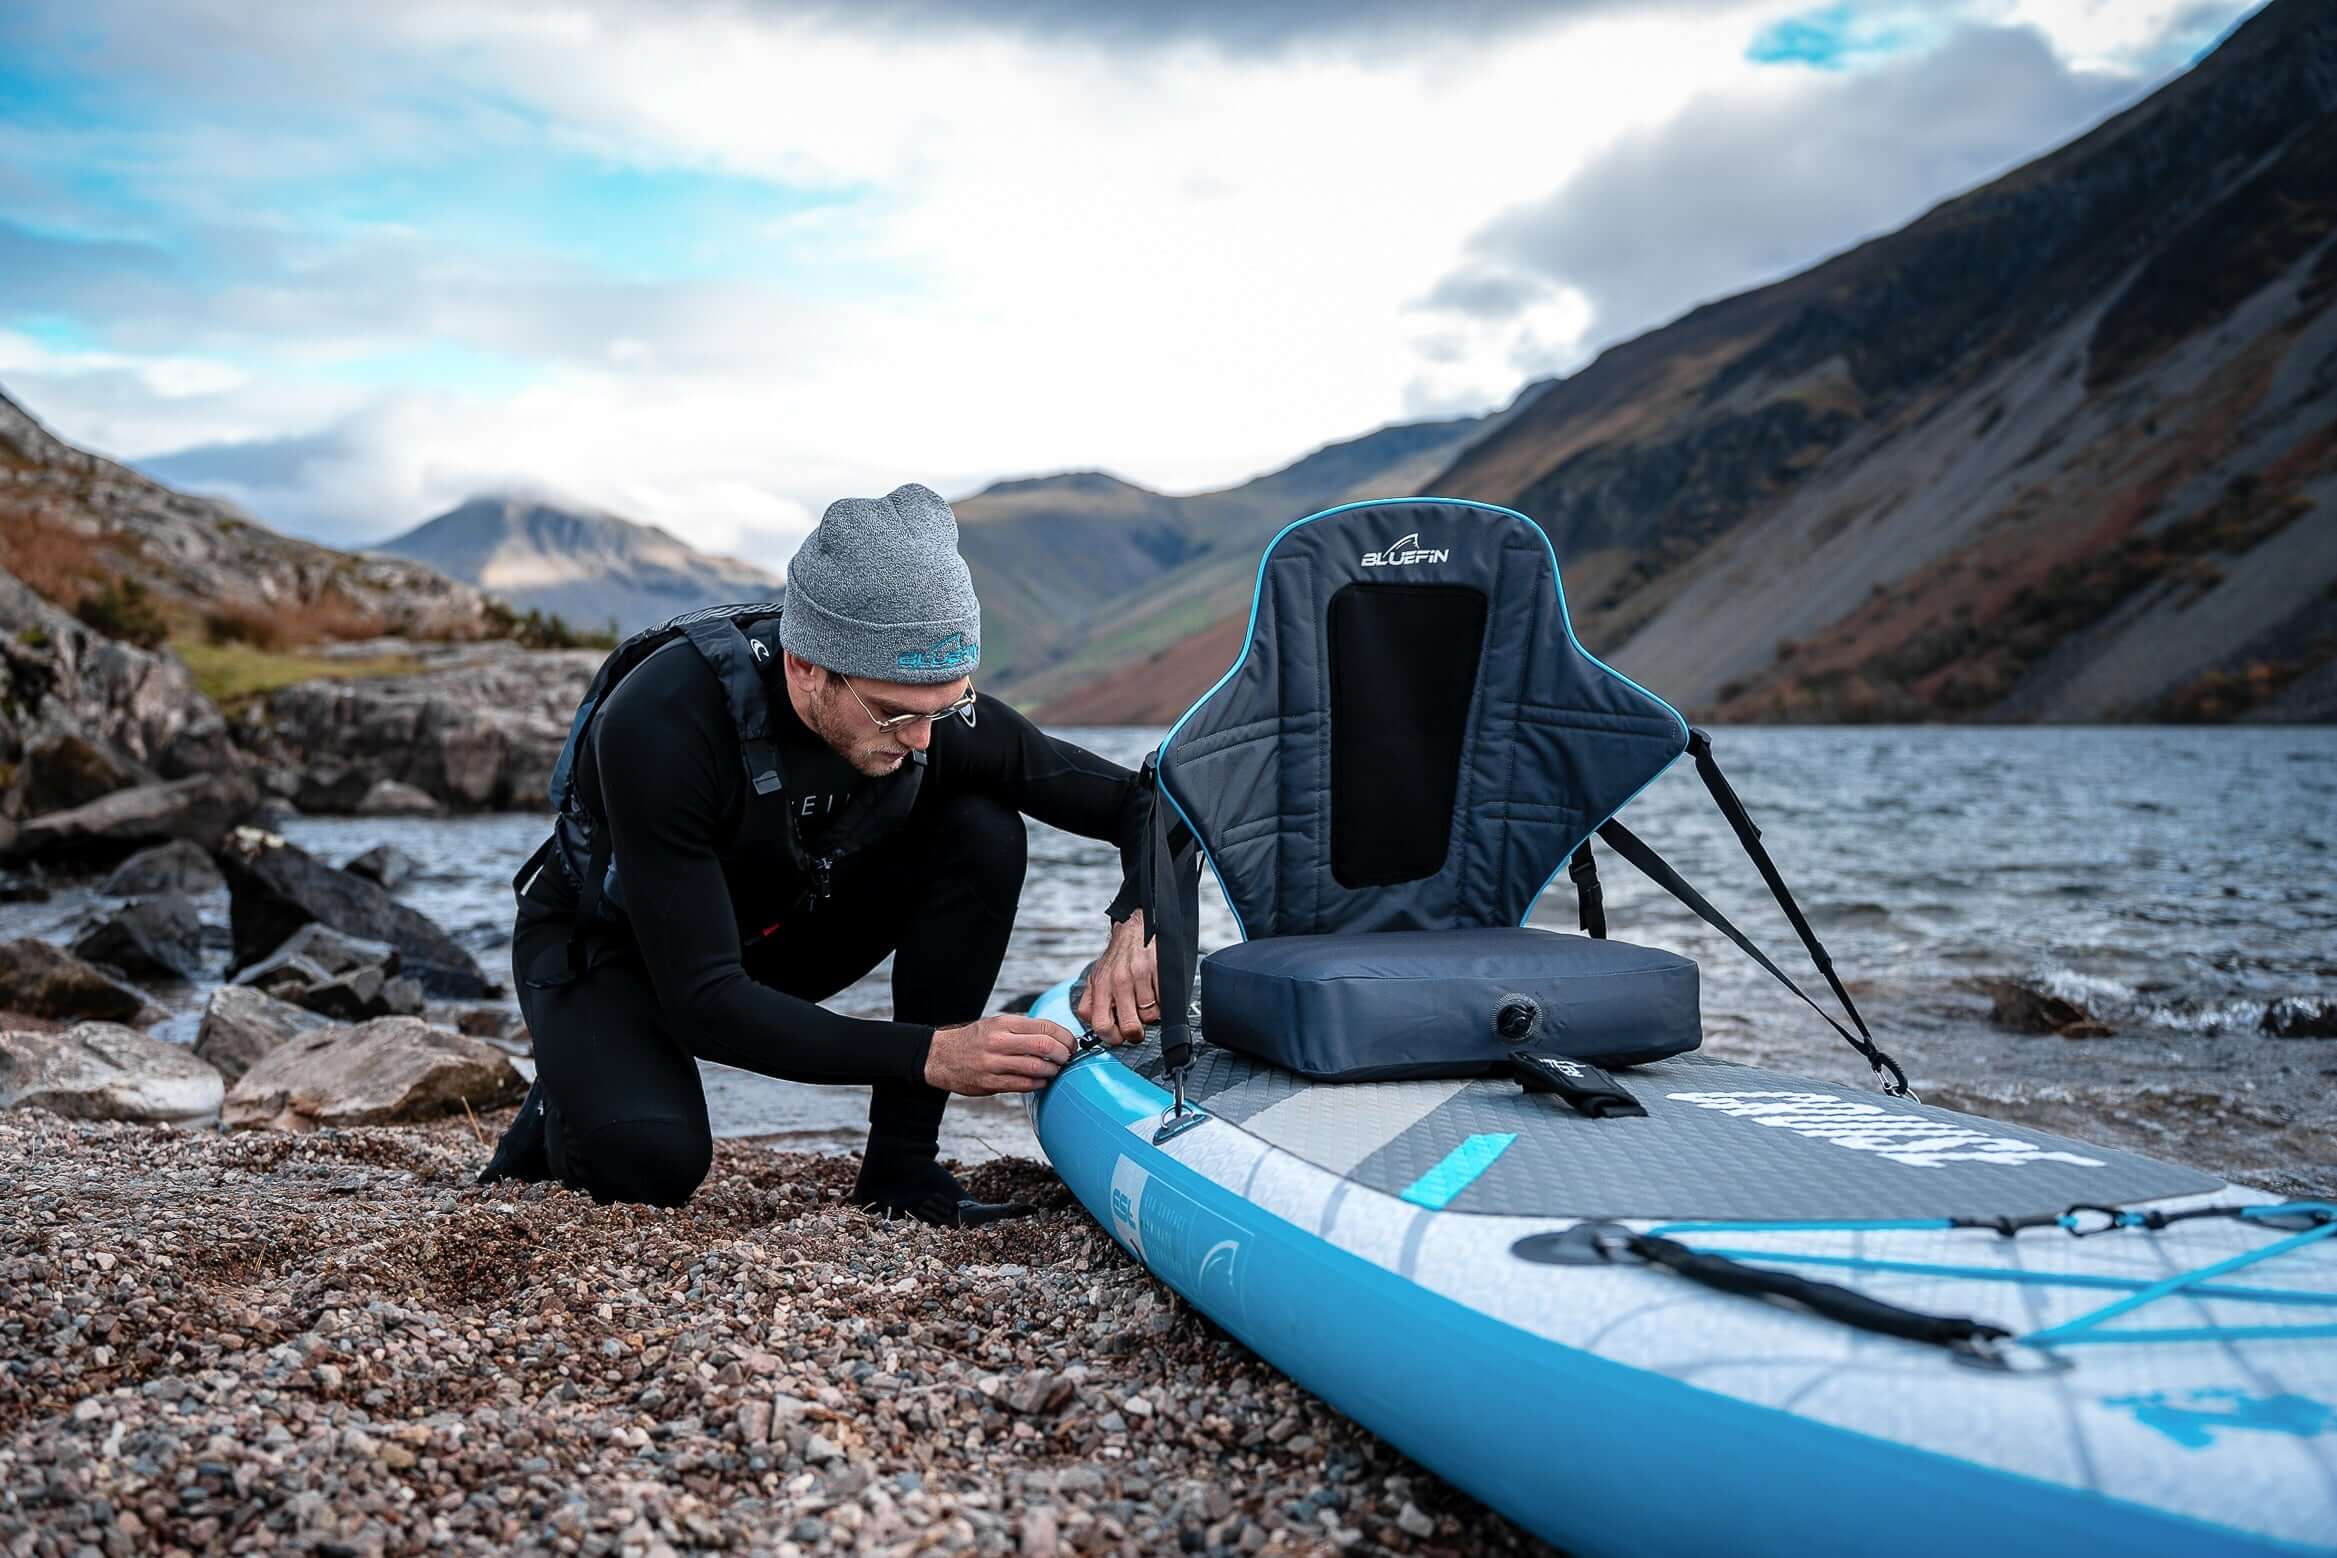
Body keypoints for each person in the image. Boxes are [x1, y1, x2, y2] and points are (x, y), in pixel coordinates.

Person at [478, 483, 1163, 1223]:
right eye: (896, 712)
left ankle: (902, 1173)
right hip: (616, 951)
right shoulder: (663, 720)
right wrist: (932, 1053)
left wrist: (1138, 922)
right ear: (807, 667)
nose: (924, 739)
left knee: (981, 828)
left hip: (774, 929)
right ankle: (570, 1091)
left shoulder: (926, 712)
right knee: (649, 1162)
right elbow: (705, 1001)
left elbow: (1149, 806)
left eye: (949, 705)